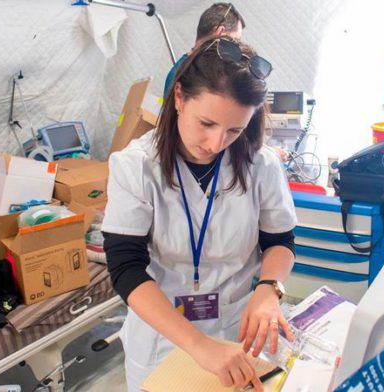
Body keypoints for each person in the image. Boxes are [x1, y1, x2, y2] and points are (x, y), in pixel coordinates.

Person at [103, 36, 297, 392]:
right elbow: (125, 267)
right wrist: (198, 345)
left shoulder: (260, 164)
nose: (216, 143)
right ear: (179, 97)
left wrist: (270, 289)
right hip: (164, 333)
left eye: (234, 130)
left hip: (236, 330)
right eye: (206, 123)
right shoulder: (136, 167)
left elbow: (280, 240)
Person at [163, 2, 246, 97]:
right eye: (236, 40)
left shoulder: (183, 70)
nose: (236, 46)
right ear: (220, 32)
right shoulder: (187, 76)